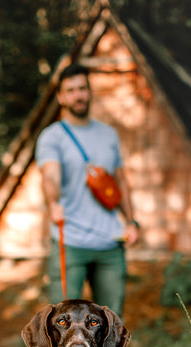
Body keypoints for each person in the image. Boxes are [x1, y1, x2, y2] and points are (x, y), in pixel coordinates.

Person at [35, 63, 139, 318]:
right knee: (64, 321)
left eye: (82, 88)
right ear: (61, 97)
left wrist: (132, 221)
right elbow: (50, 175)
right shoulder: (52, 137)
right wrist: (53, 202)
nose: (78, 95)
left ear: (90, 92)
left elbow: (120, 182)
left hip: (109, 242)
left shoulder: (108, 134)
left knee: (112, 323)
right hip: (70, 240)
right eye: (70, 90)